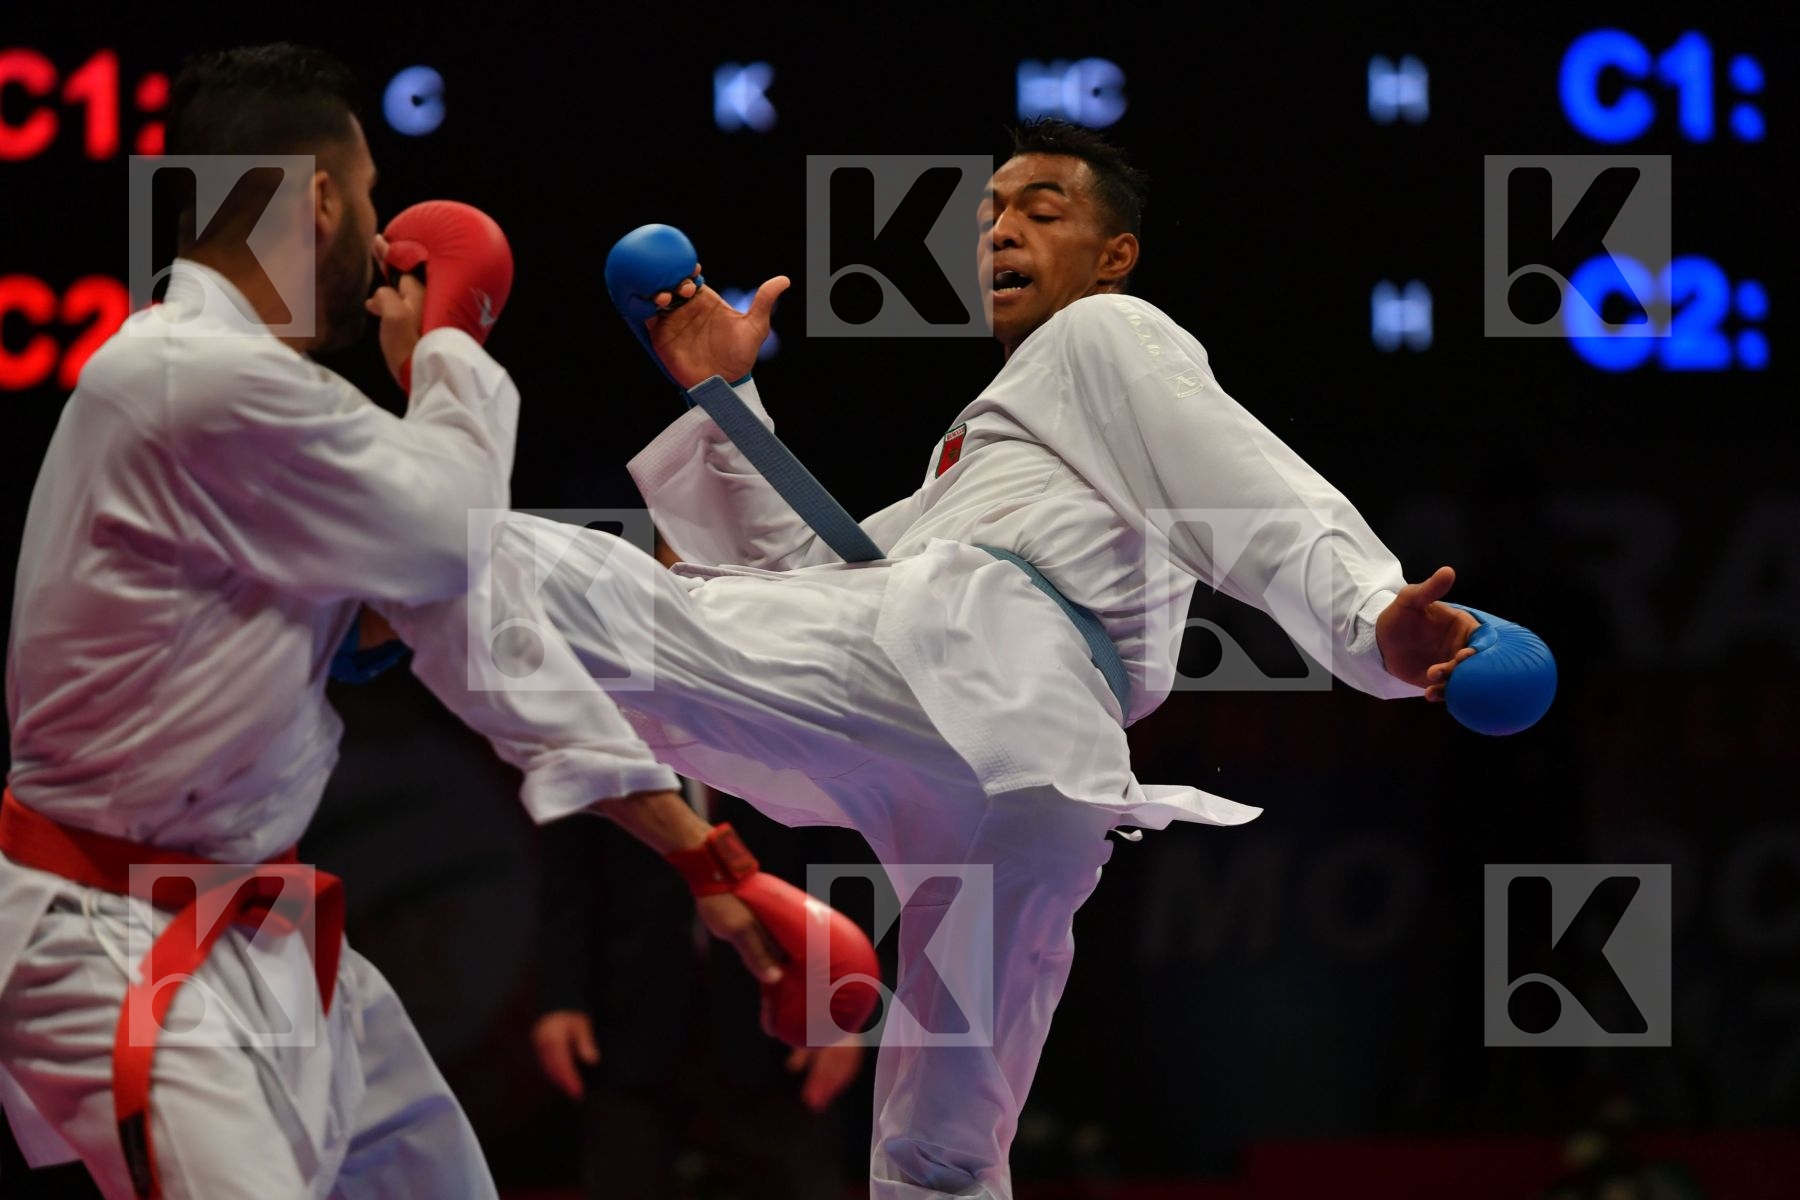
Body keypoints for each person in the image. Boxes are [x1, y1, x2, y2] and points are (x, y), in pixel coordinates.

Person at [481, 117, 1487, 1198]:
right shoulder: (992, 447)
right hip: (1032, 773)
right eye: (992, 213)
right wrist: (722, 396)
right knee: (942, 1154)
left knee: (564, 591)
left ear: (1115, 257)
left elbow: (1239, 478)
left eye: (1042, 210)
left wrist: (1368, 612)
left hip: (982, 671)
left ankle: (405, 551)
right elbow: (832, 578)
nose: (1003, 228)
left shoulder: (1106, 336)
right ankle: (408, 568)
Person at [0, 43, 810, 1199]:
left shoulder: (274, 417)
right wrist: (449, 344)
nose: (383, 236)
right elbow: (447, 530)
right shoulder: (179, 376)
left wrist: (711, 865)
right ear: (319, 198)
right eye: (372, 194)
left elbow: (488, 645)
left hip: (259, 925)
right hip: (105, 933)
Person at [533, 782, 865, 1200]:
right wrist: (561, 999)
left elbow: (852, 864)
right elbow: (567, 872)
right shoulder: (609, 736)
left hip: (782, 1023)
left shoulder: (798, 735)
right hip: (627, 1014)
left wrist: (848, 1006)